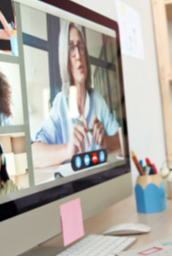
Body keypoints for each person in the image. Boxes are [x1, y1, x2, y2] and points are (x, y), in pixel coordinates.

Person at [31, 20, 120, 168]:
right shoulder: (61, 102)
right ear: (65, 58)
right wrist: (67, 150)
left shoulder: (97, 99)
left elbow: (121, 138)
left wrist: (106, 141)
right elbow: (33, 155)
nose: (78, 55)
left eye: (80, 47)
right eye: (71, 48)